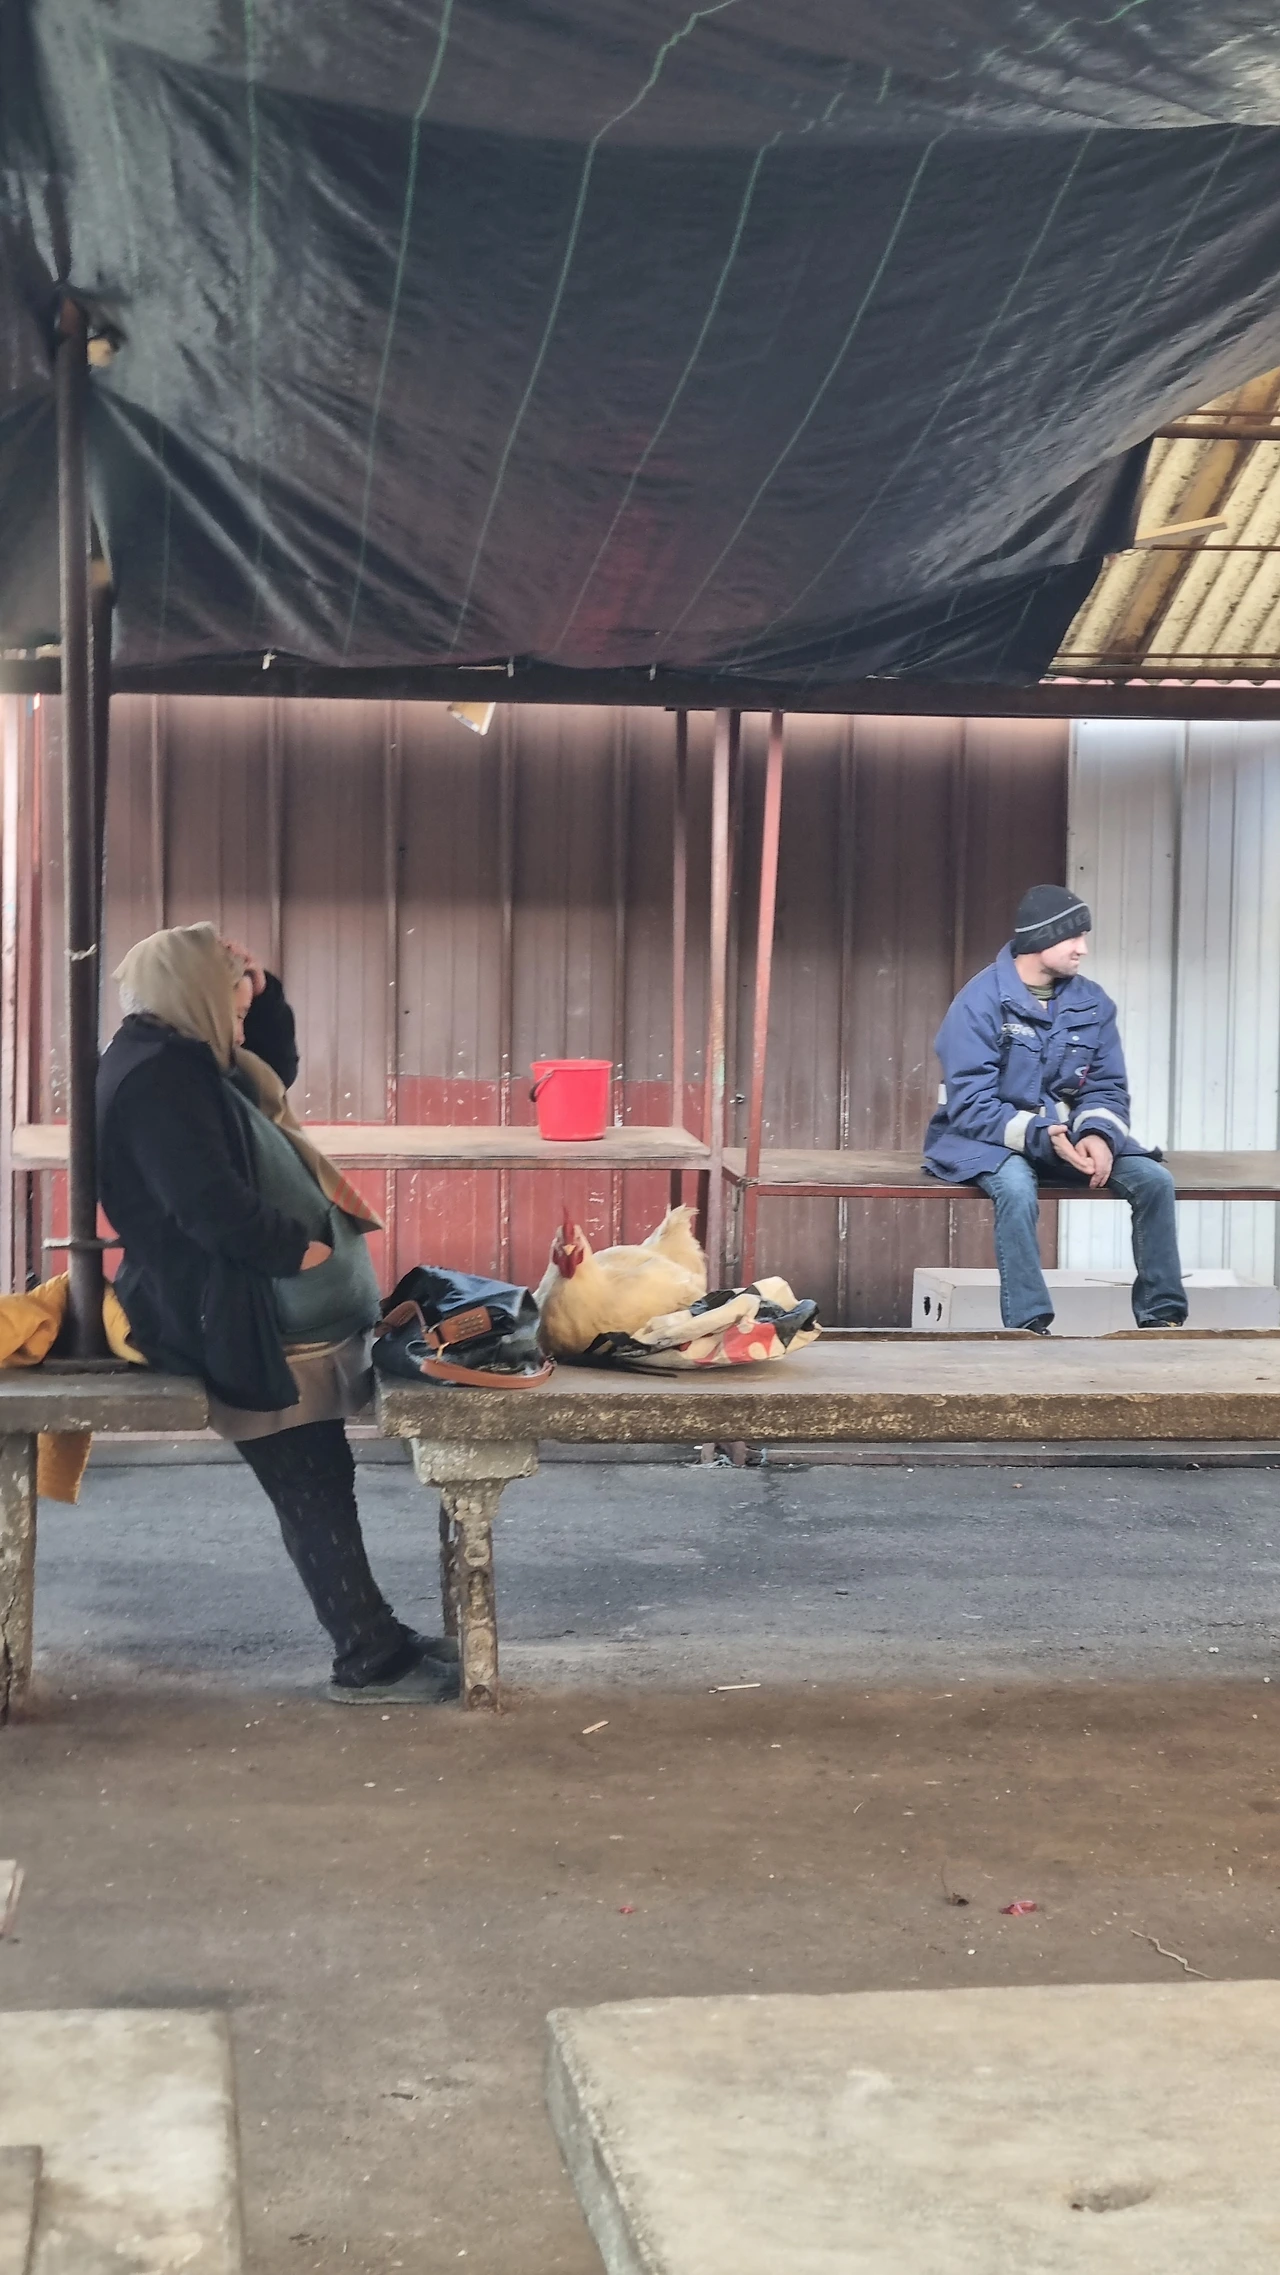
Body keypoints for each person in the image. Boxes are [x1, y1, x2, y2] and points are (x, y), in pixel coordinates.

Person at [97, 922, 457, 1703]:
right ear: (195, 997)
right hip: (215, 1311)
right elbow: (206, 1201)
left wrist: (263, 996)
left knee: (316, 1476)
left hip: (219, 1300)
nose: (239, 1025)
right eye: (231, 1008)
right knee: (309, 1478)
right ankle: (368, 1659)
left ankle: (376, 1639)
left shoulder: (173, 1053)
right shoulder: (158, 1080)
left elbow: (271, 1067)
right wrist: (297, 1250)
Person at [923, 884, 1187, 1335]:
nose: (1083, 948)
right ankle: (1029, 1325)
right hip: (983, 1140)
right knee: (1015, 1186)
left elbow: (1106, 1086)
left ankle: (1162, 1318)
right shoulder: (979, 1003)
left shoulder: (1092, 1002)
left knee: (1154, 1181)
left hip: (1063, 1137)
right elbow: (970, 1104)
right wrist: (1045, 1136)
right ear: (1040, 939)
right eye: (1073, 937)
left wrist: (1098, 1136)